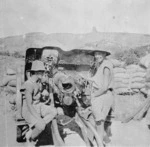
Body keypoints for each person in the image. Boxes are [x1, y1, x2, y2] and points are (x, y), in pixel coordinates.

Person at [21, 60, 57, 143]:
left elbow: (40, 90)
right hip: (28, 110)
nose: (43, 74)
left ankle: (34, 129)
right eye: (41, 72)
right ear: (36, 72)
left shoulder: (37, 82)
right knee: (41, 126)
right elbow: (29, 105)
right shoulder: (28, 84)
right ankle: (30, 137)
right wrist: (38, 118)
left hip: (38, 106)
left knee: (54, 111)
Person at [89, 50, 114, 145]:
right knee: (96, 120)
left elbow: (104, 87)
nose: (97, 56)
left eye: (100, 54)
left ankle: (99, 143)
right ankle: (101, 139)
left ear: (104, 54)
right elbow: (98, 80)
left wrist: (93, 95)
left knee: (99, 122)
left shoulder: (106, 66)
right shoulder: (101, 65)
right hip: (101, 94)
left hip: (102, 95)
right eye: (96, 54)